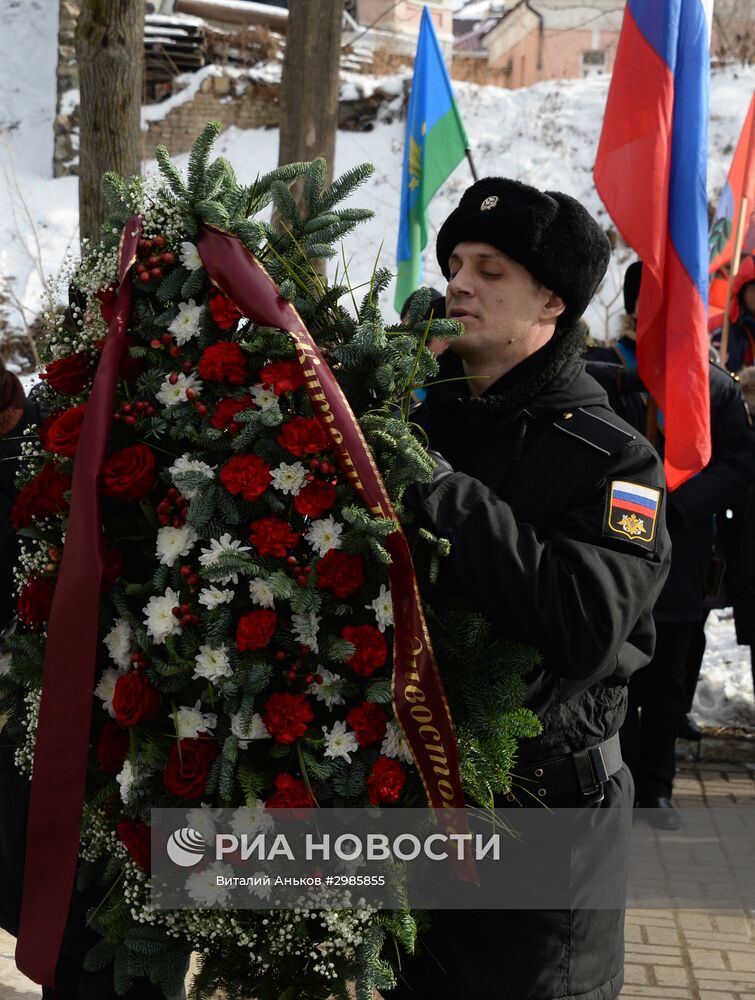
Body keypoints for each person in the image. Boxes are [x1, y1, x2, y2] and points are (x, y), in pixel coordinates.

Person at [397, 178, 671, 1000]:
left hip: (543, 827)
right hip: (414, 821)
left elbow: (583, 622)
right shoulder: (418, 424)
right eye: (453, 263)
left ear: (551, 299)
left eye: (490, 269)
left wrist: (443, 493)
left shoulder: (615, 459)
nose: (458, 284)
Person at [585, 264, 755, 828]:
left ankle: (656, 784)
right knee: (611, 675)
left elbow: (738, 462)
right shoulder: (603, 373)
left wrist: (679, 504)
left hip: (681, 552)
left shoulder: (714, 386)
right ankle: (613, 782)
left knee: (668, 678)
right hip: (610, 549)